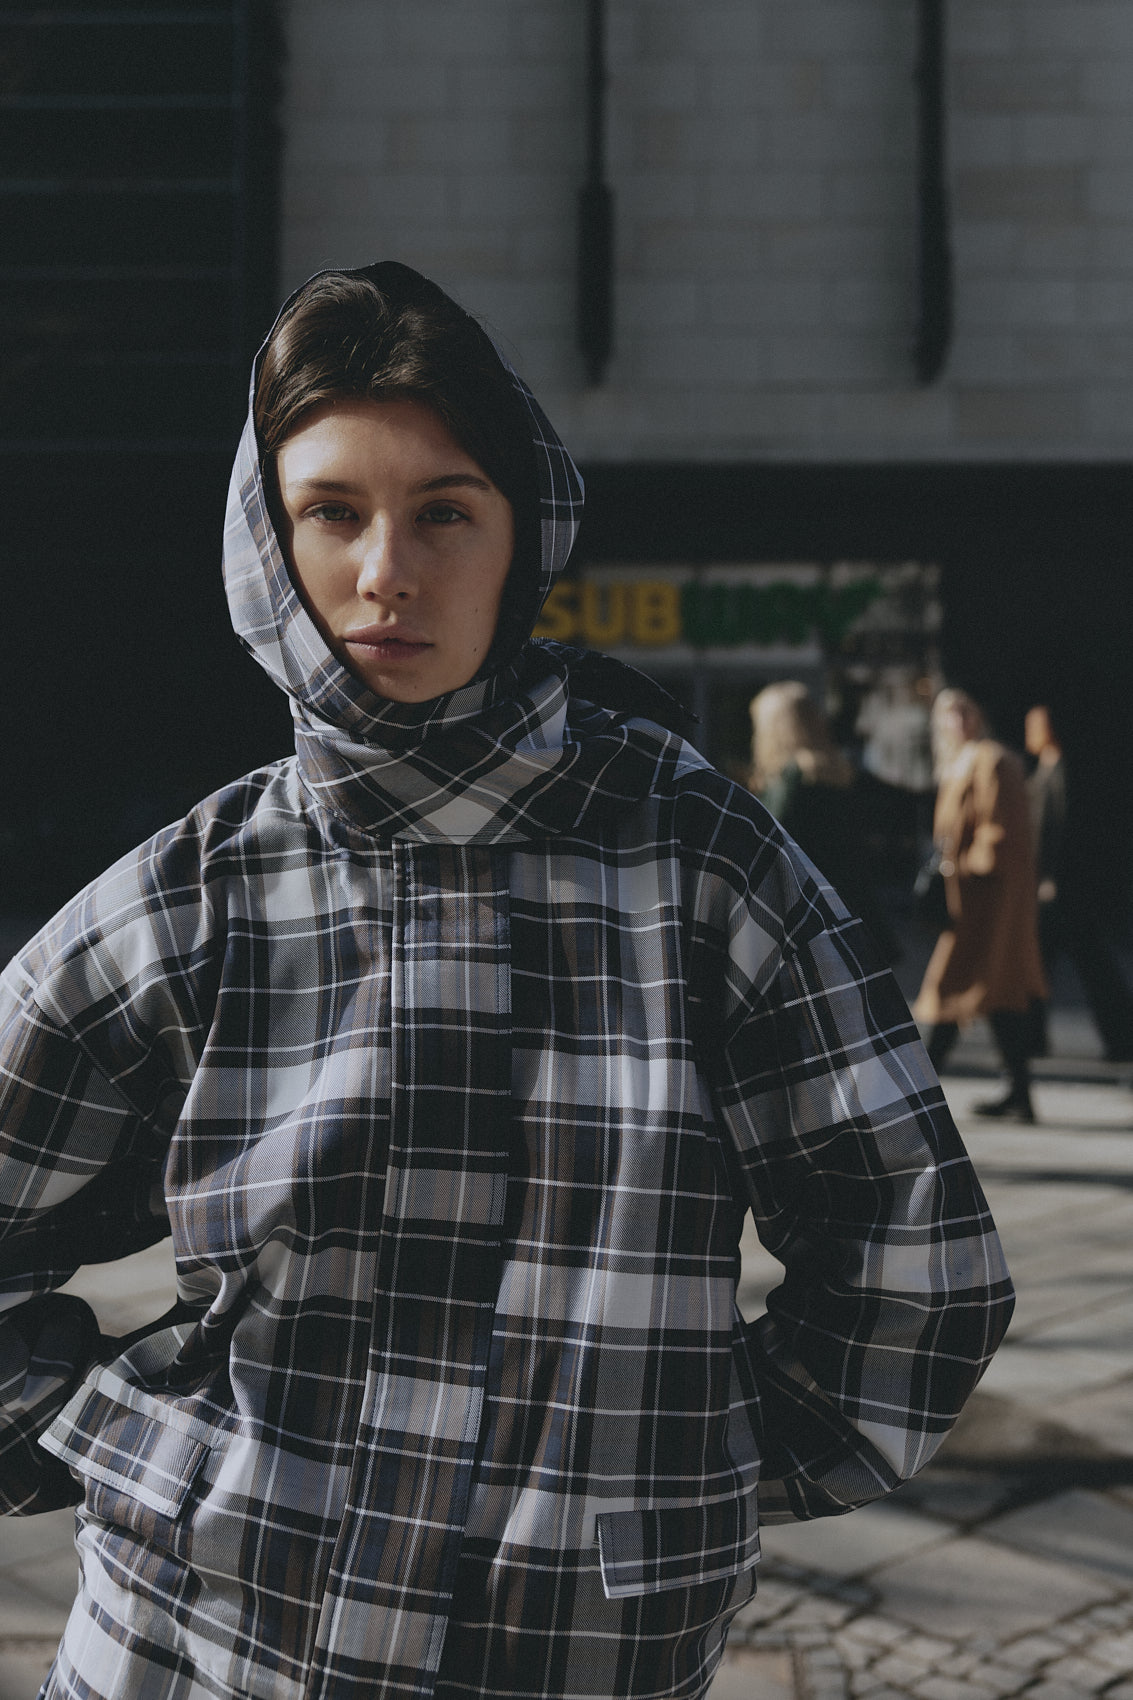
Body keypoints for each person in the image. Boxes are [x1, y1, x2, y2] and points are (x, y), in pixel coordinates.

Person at [0, 262, 1014, 1700]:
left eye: (444, 513)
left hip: (569, 1659)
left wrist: (682, 1483)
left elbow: (919, 1269)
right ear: (265, 546)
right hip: (195, 1652)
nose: (386, 571)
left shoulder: (699, 865)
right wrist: (120, 1445)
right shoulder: (197, 892)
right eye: (331, 512)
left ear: (520, 534)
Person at [913, 688, 1047, 1122]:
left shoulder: (991, 761)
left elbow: (1003, 836)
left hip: (988, 902)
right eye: (949, 714)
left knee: (955, 992)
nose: (958, 721)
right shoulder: (962, 762)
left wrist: (962, 865)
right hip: (972, 902)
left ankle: (918, 1094)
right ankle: (1018, 1093)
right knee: (989, 996)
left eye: (964, 711)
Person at [749, 679, 901, 964]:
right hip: (852, 907)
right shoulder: (839, 771)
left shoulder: (792, 779)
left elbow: (769, 846)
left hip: (810, 918)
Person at [1025, 703, 1133, 1063]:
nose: (1029, 733)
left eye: (1035, 726)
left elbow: (1065, 832)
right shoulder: (1046, 770)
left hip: (1062, 893)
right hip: (1055, 891)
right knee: (1066, 967)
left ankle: (1033, 1041)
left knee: (1078, 967)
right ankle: (1032, 1040)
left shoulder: (1063, 772)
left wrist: (1052, 878)